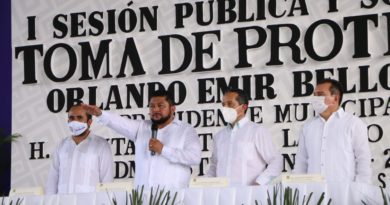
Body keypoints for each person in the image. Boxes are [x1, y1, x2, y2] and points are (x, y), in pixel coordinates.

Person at [81, 90, 202, 189]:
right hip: (143, 199)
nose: (155, 110)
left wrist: (163, 150)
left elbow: (194, 157)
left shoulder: (186, 130)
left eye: (160, 106)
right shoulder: (141, 128)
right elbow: (120, 123)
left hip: (173, 199)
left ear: (173, 108)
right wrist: (100, 114)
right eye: (152, 106)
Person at [294, 78, 372, 183]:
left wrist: (359, 192)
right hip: (314, 195)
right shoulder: (308, 127)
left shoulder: (353, 124)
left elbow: (363, 161)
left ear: (335, 98)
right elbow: (301, 162)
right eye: (315, 95)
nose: (315, 98)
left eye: (320, 94)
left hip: (345, 194)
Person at [206, 88, 283, 186]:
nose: (225, 108)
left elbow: (276, 160)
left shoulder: (256, 131)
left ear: (244, 107)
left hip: (249, 195)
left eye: (230, 104)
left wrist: (260, 183)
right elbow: (214, 167)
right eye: (223, 105)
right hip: (222, 196)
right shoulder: (219, 136)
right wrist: (203, 184)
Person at [45, 104, 114, 194]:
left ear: (89, 122)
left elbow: (107, 182)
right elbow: (52, 180)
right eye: (72, 118)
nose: (75, 121)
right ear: (68, 121)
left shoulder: (101, 145)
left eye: (79, 117)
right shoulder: (61, 145)